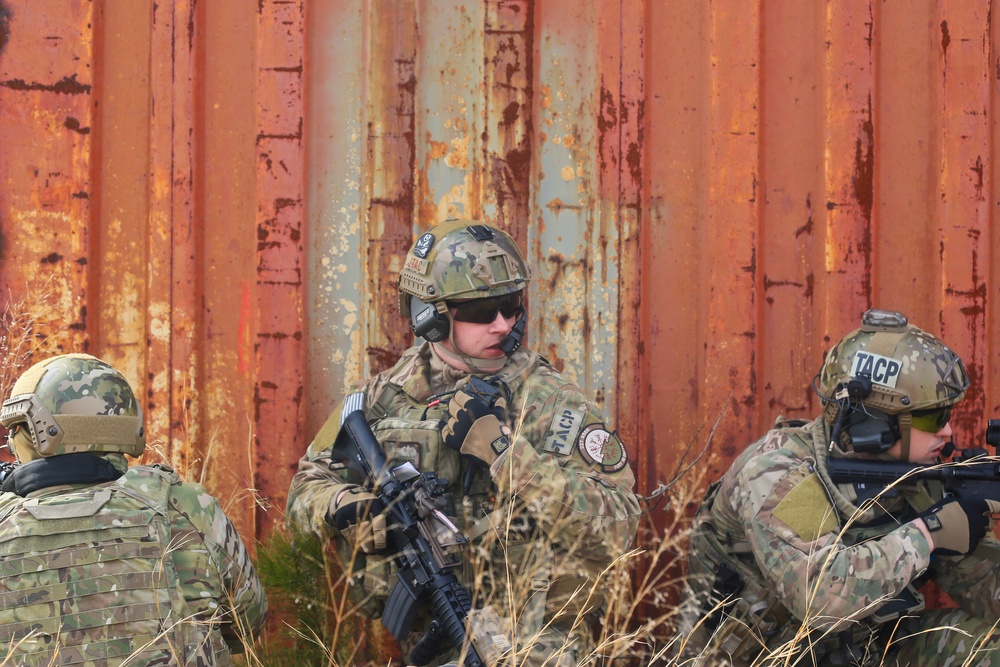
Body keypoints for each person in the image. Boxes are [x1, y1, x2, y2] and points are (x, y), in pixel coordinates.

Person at [286, 218, 642, 666]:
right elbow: (303, 491)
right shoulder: (382, 397)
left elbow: (620, 525)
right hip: (429, 640)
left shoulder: (551, 402)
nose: (502, 324)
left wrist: (505, 457)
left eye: (511, 305)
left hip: (537, 647)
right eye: (481, 311)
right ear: (430, 316)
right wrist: (350, 508)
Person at [678, 308, 1000, 666]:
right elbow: (825, 599)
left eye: (948, 414)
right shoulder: (778, 473)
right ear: (873, 423)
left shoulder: (917, 475)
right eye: (932, 418)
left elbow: (987, 590)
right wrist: (928, 535)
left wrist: (968, 521)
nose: (948, 432)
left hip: (861, 651)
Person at [0, 353, 267, 666]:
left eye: (18, 429)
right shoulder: (181, 506)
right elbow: (248, 621)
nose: (12, 440)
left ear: (43, 430)